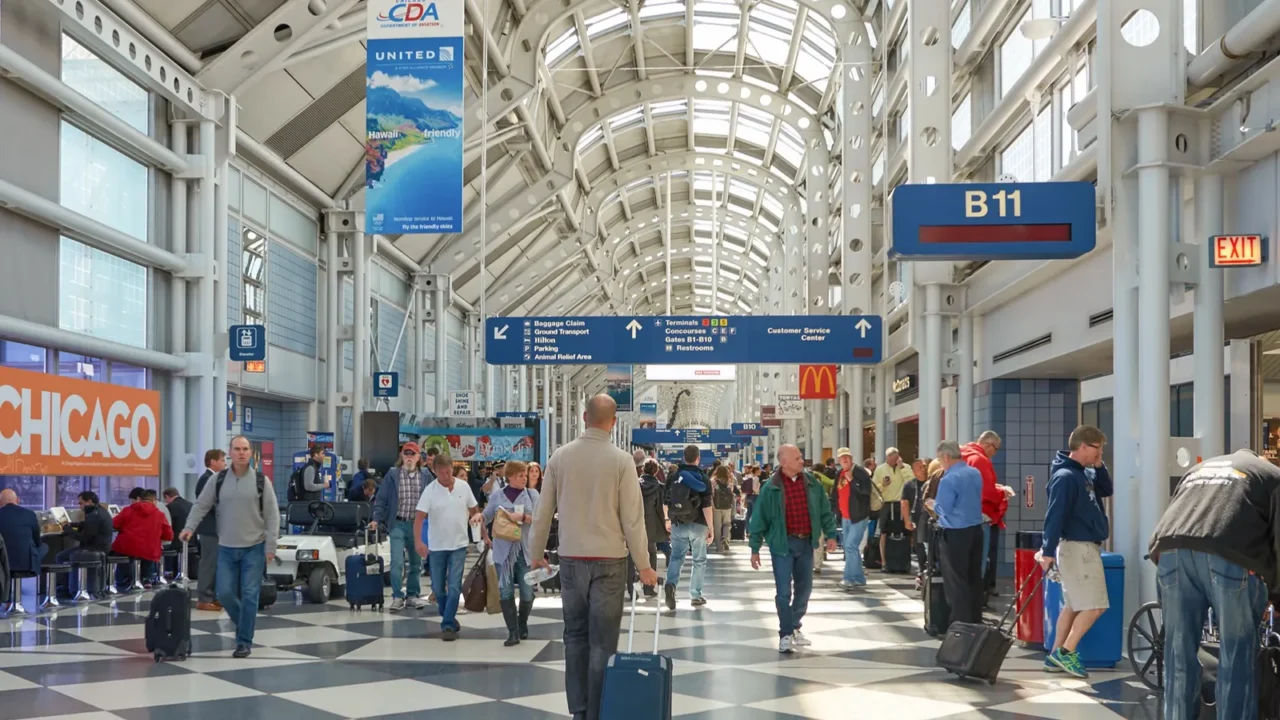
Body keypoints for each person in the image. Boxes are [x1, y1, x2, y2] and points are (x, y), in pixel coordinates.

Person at [528, 394, 657, 720]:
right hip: (611, 561)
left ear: (584, 417)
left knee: (574, 636)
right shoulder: (621, 461)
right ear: (613, 423)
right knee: (602, 641)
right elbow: (632, 518)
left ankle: (578, 709)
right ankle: (598, 710)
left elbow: (543, 512)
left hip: (571, 559)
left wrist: (535, 554)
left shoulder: (560, 457)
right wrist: (644, 565)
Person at [1149, 449, 1280, 720]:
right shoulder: (1273, 476)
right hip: (1229, 555)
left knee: (1178, 652)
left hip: (1170, 549)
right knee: (1237, 653)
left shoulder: (1198, 470)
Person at [181, 435, 280, 658]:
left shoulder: (261, 481)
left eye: (245, 449)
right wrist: (189, 527)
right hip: (225, 546)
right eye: (237, 449)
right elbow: (201, 505)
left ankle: (243, 641)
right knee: (224, 593)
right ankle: (244, 623)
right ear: (230, 452)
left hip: (254, 547)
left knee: (249, 593)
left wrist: (270, 546)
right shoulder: (217, 480)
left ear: (251, 453)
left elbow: (272, 516)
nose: (241, 453)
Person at [747, 445, 838, 653]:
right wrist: (755, 549)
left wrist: (830, 534)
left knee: (804, 589)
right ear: (784, 462)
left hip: (806, 543)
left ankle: (794, 624)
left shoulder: (812, 483)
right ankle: (785, 633)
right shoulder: (771, 488)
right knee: (783, 591)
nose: (801, 461)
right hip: (782, 544)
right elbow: (759, 520)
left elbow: (824, 510)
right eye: (797, 458)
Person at [1038, 425, 1112, 678]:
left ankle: (1055, 655)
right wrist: (1047, 551)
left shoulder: (1082, 473)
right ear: (1082, 446)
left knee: (1073, 605)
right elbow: (1054, 515)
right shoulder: (1066, 477)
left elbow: (1107, 489)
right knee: (1095, 606)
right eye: (1097, 448)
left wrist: (1099, 464)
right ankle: (1065, 653)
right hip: (1078, 548)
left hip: (1079, 547)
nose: (1100, 452)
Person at [414, 452, 487, 641]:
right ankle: (450, 618)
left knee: (454, 587)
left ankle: (447, 625)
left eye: (448, 472)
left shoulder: (464, 487)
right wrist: (418, 541)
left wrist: (484, 534)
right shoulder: (430, 490)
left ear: (452, 467)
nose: (446, 477)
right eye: (441, 473)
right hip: (437, 546)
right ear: (434, 471)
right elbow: (419, 518)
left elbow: (475, 512)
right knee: (438, 589)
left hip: (459, 544)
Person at [483, 460, 540, 646]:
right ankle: (513, 631)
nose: (525, 478)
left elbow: (538, 519)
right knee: (505, 591)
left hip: (524, 551)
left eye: (525, 475)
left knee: (527, 592)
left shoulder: (531, 495)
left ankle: (522, 622)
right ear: (511, 477)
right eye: (521, 475)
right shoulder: (498, 496)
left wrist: (523, 517)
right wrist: (478, 518)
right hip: (503, 552)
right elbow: (488, 514)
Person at [372, 441, 431, 611]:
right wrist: (376, 518)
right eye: (406, 454)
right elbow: (381, 499)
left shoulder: (426, 476)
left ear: (419, 457)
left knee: (416, 563)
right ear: (401, 456)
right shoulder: (392, 475)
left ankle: (412, 595)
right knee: (397, 561)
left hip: (417, 525)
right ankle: (397, 596)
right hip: (397, 523)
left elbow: (434, 498)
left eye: (413, 454)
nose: (409, 457)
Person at [931, 440, 985, 625]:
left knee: (956, 580)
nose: (940, 463)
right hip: (976, 530)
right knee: (973, 577)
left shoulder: (949, 479)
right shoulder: (974, 473)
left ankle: (960, 623)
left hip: (955, 533)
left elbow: (943, 508)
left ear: (946, 456)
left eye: (939, 459)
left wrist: (932, 505)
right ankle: (975, 620)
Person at [961, 430, 1014, 595]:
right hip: (981, 515)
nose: (994, 454)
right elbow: (985, 491)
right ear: (988, 445)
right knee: (979, 561)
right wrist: (1001, 493)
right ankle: (976, 600)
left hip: (963, 517)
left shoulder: (964, 455)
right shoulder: (980, 460)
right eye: (996, 449)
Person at [664, 444, 713, 609]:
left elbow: (666, 501)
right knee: (699, 560)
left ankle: (671, 585)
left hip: (678, 523)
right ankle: (695, 595)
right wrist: (711, 528)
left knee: (676, 557)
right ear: (698, 458)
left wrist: (667, 520)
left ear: (684, 457)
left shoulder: (673, 476)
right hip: (699, 524)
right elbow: (707, 506)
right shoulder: (703, 478)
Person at [111, 487, 172, 588]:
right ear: (154, 500)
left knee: (121, 552)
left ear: (140, 499)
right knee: (150, 551)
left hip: (127, 547)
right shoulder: (160, 514)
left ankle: (122, 581)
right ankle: (146, 579)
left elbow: (113, 524)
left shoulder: (127, 510)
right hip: (150, 550)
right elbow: (169, 536)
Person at [56, 491, 112, 597]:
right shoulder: (100, 511)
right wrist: (72, 524)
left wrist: (66, 528)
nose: (79, 506)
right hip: (102, 547)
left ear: (89, 501)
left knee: (60, 557)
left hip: (93, 549)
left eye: (81, 503)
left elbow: (83, 537)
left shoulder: (93, 515)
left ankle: (64, 589)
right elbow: (88, 526)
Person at [834, 447, 872, 592]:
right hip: (845, 516)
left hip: (859, 516)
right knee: (850, 547)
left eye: (847, 457)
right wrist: (835, 511)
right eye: (842, 458)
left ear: (852, 458)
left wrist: (853, 481)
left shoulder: (860, 473)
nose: (845, 460)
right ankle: (859, 578)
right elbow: (835, 494)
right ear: (839, 460)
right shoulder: (839, 474)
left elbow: (866, 492)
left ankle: (849, 579)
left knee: (850, 546)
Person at [193, 449, 226, 611]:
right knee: (208, 563)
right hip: (209, 528)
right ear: (212, 462)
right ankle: (204, 598)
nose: (225, 463)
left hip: (217, 528)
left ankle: (212, 595)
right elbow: (207, 503)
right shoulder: (205, 479)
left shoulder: (215, 479)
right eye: (222, 460)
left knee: (216, 564)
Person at [871, 448, 912, 571]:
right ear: (887, 458)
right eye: (891, 459)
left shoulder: (906, 467)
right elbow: (873, 488)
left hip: (902, 503)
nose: (894, 461)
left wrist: (902, 468)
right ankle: (884, 562)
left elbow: (911, 482)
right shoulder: (880, 469)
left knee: (907, 531)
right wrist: (882, 485)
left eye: (896, 458)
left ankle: (905, 561)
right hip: (886, 503)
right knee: (884, 532)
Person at [637, 459, 668, 598]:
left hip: (634, 523)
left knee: (631, 555)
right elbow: (661, 509)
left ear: (642, 470)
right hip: (651, 526)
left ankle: (632, 589)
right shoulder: (659, 487)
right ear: (656, 471)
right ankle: (649, 587)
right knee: (651, 554)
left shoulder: (634, 484)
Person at [0, 489, 41, 586]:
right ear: (17, 500)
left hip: (3, 561)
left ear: (0, 502)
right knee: (44, 546)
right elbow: (37, 539)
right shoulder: (30, 514)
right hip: (26, 562)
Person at [162, 487, 192, 579]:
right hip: (191, 540)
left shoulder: (169, 508)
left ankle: (169, 572)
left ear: (167, 496)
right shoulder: (190, 504)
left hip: (176, 541)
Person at [710, 466, 737, 553]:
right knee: (727, 524)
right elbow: (731, 493)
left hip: (716, 507)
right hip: (727, 506)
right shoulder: (730, 480)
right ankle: (725, 538)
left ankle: (719, 547)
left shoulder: (713, 481)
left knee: (717, 527)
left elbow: (711, 494)